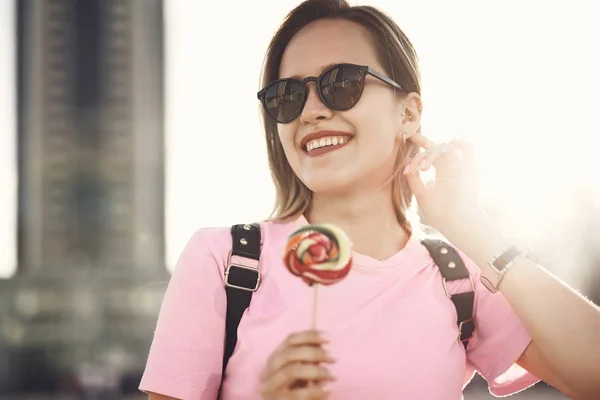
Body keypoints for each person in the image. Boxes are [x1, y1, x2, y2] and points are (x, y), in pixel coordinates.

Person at [139, 0, 600, 399]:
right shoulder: (225, 261)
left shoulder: (458, 275)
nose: (314, 111)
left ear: (409, 112)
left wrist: (471, 226)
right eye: (289, 95)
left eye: (342, 83)